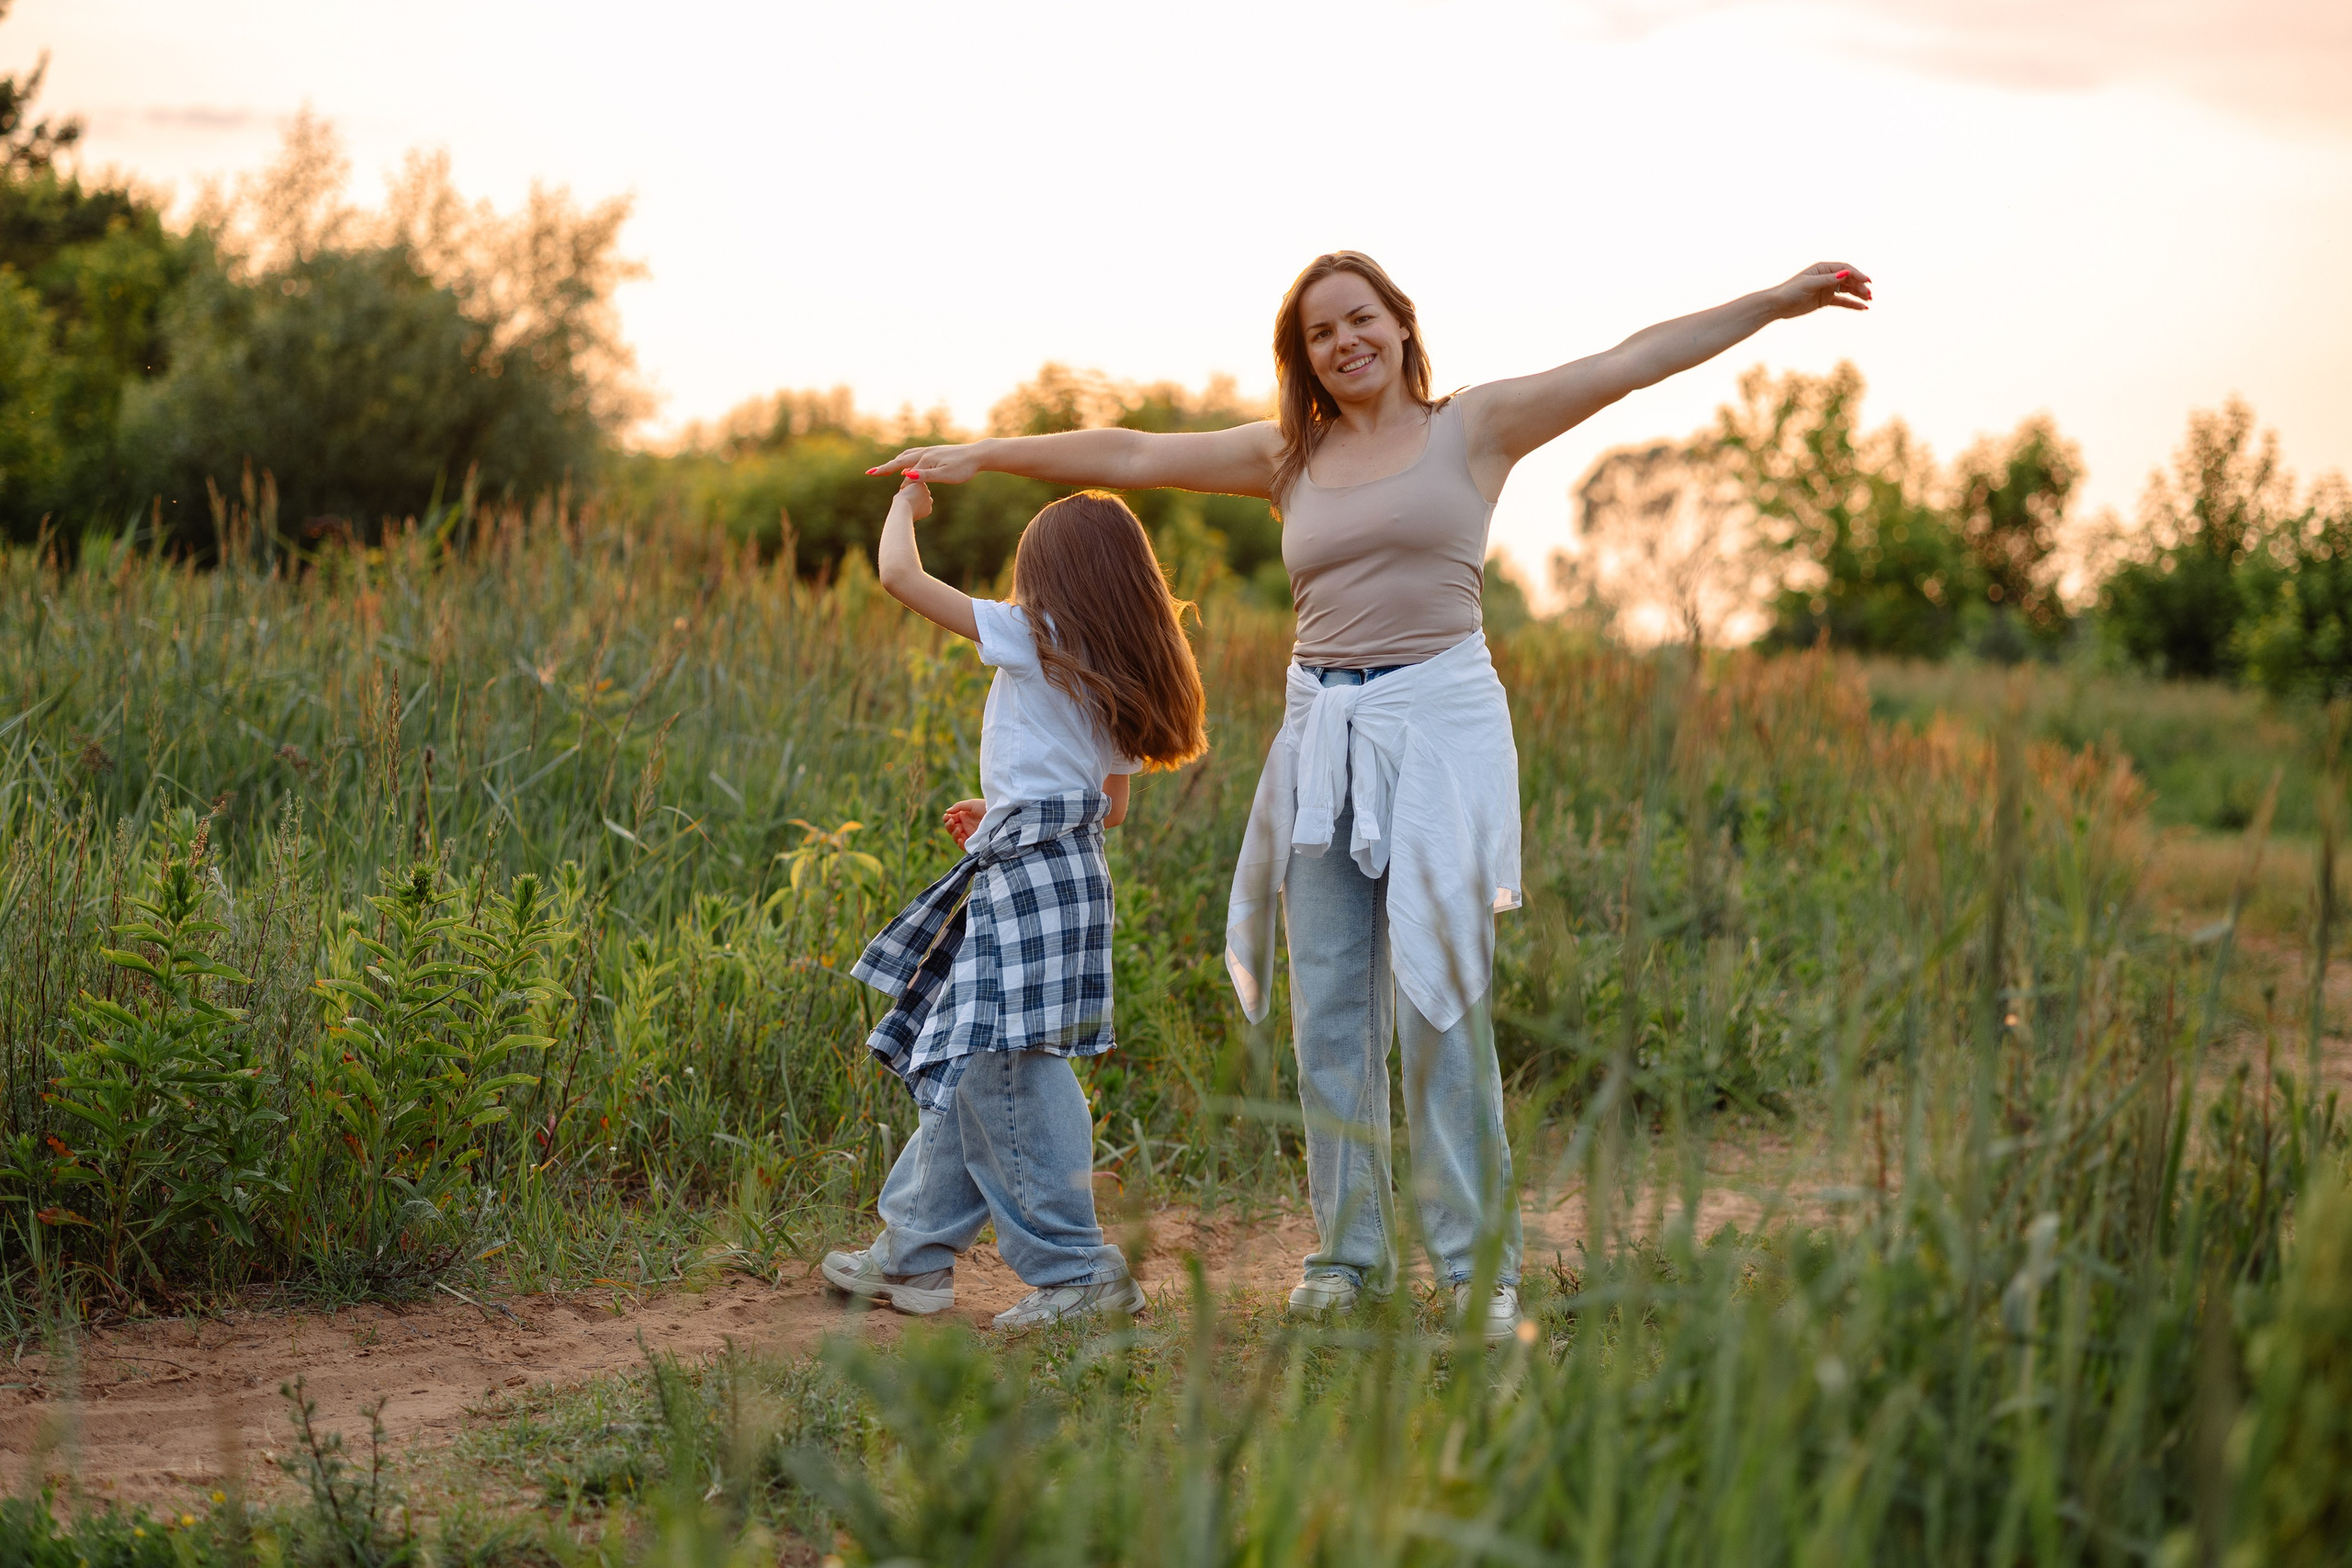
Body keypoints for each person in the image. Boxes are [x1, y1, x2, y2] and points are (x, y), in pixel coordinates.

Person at [869, 254, 1872, 1338]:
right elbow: (1131, 452)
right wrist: (981, 456)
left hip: (1437, 726)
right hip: (1322, 731)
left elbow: (1628, 363)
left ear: (1399, 325)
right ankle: (1348, 1257)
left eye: (1360, 321)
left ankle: (1471, 1266)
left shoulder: (1474, 429)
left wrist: (1775, 302)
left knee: (1442, 1000)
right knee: (1331, 1013)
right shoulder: (1287, 458)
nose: (1343, 343)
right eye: (1318, 334)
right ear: (1302, 358)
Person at [821, 479, 1209, 1331]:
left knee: (1005, 1062)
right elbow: (1110, 805)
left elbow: (899, 576)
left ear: (1054, 579)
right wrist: (1000, 808)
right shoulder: (1118, 662)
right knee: (985, 1056)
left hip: (1028, 877)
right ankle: (914, 1255)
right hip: (1067, 871)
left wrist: (905, 508)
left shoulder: (1038, 636)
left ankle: (1076, 1270)